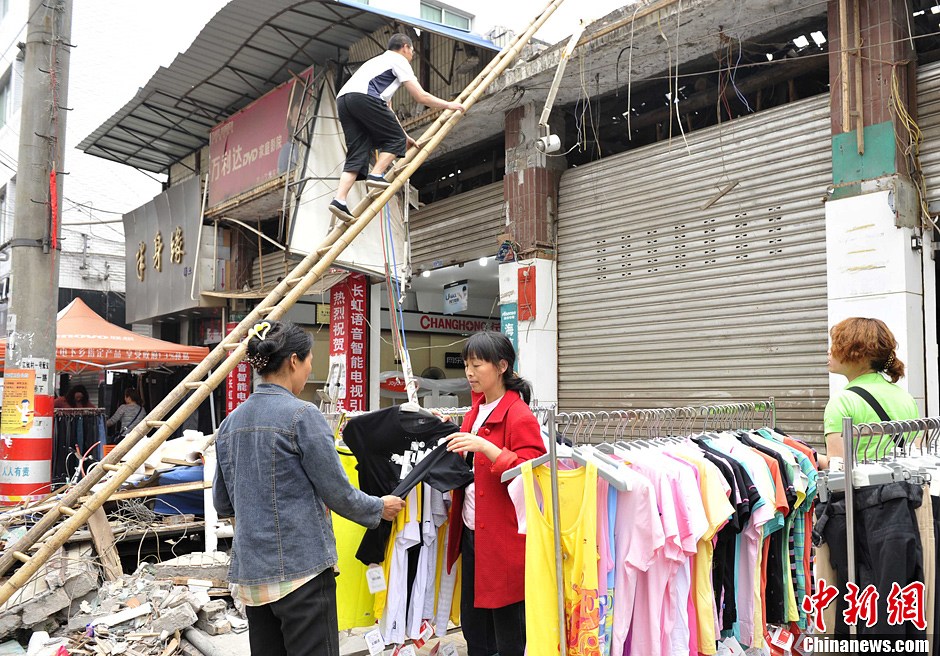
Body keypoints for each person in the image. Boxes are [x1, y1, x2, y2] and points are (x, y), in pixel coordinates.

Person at [212, 321, 405, 656]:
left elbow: (222, 502)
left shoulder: (231, 423)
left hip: (254, 577)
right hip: (302, 574)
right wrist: (379, 507)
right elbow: (338, 493)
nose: (307, 373)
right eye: (309, 364)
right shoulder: (302, 416)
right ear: (292, 362)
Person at [444, 331, 546, 656]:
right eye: (466, 365)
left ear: (501, 366)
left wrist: (488, 448)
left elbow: (534, 472)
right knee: (475, 629)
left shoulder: (519, 415)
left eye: (477, 365)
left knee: (509, 634)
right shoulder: (476, 410)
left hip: (504, 541)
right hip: (474, 534)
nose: (470, 373)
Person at [329, 33, 465, 221]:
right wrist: (449, 105)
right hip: (364, 97)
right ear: (405, 47)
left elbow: (388, 110)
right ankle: (376, 175)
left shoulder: (377, 62)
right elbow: (421, 96)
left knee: (358, 151)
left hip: (344, 100)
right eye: (412, 50)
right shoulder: (399, 60)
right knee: (394, 140)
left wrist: (403, 135)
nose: (412, 55)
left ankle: (339, 200)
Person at [821, 317, 920, 468]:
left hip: (861, 490)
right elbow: (916, 454)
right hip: (905, 489)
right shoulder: (906, 398)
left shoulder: (842, 401)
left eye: (836, 345)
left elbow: (838, 468)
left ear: (856, 353)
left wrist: (805, 456)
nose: (829, 351)